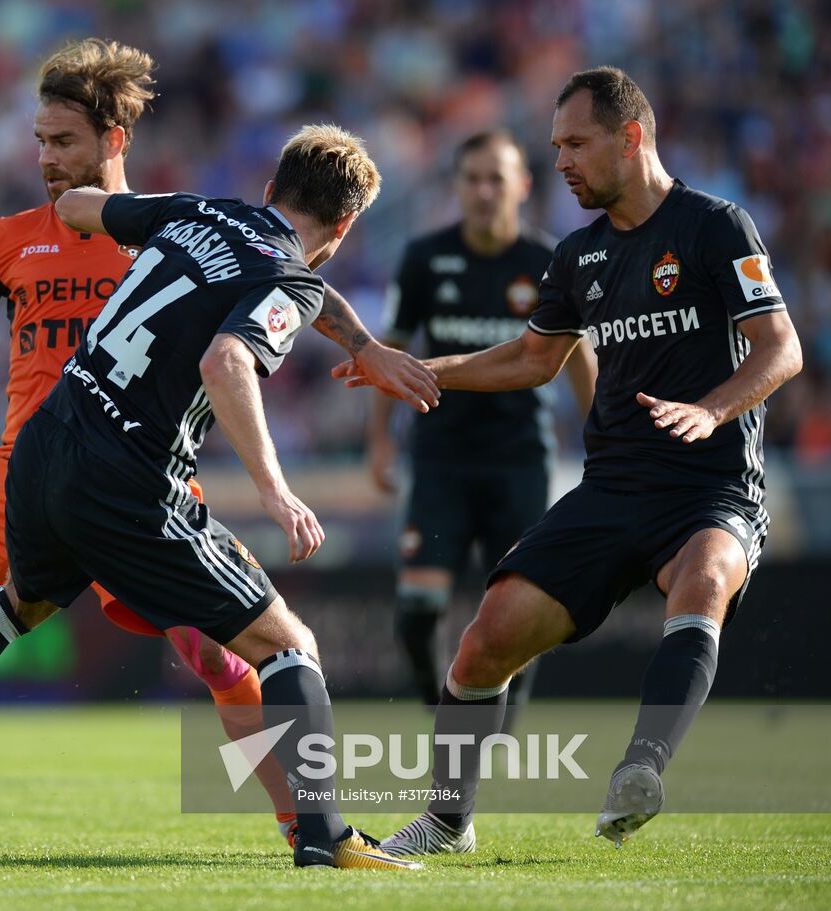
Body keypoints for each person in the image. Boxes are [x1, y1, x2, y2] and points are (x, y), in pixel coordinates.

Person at [0, 38, 406, 853]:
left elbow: (282, 268)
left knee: (180, 644)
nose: (47, 159)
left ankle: (295, 818)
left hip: (82, 459)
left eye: (63, 142)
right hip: (67, 467)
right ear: (341, 225)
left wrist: (358, 340)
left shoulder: (183, 217)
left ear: (115, 141)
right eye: (40, 142)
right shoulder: (26, 237)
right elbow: (282, 284)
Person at [336, 66, 802, 854]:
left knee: (705, 578)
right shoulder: (577, 256)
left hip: (711, 485)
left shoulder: (716, 227)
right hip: (612, 489)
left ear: (632, 137)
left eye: (576, 144)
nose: (561, 163)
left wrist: (713, 407)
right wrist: (418, 368)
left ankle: (641, 770)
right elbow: (532, 358)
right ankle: (447, 822)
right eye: (555, 147)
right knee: (484, 641)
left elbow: (781, 347)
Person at [368, 130, 596, 714]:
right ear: (457, 187)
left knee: (518, 617)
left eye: (497, 178)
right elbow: (387, 353)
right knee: (417, 613)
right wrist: (379, 443)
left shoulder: (549, 262)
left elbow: (578, 360)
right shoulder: (424, 258)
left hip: (519, 459)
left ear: (522, 186)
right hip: (440, 457)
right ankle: (440, 718)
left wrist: (608, 444)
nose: (484, 190)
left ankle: (499, 735)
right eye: (472, 178)